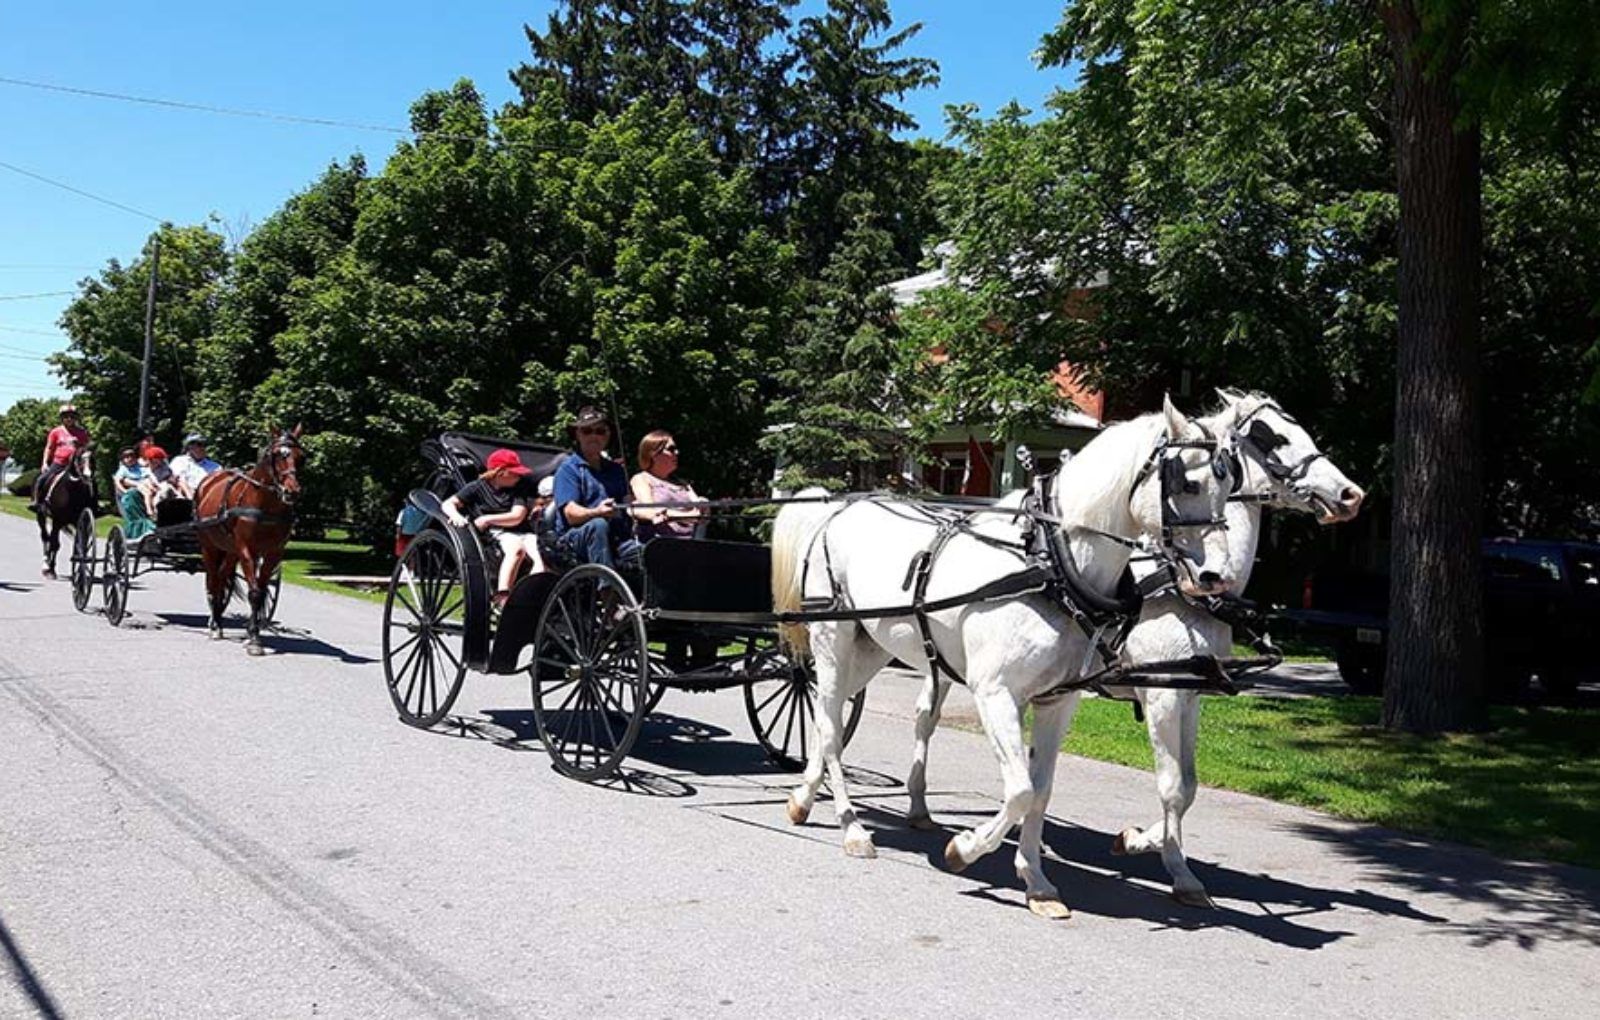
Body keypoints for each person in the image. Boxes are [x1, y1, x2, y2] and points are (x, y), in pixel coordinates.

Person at [442, 448, 544, 604]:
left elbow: (517, 516)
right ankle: (503, 594)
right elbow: (449, 503)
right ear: (500, 472)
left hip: (523, 530)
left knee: (541, 556)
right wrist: (456, 516)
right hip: (498, 534)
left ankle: (529, 596)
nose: (519, 475)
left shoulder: (519, 488)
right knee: (516, 550)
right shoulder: (477, 487)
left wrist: (487, 519)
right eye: (514, 472)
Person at [552, 405, 638, 573]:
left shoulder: (617, 471)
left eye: (600, 431)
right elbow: (570, 514)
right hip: (576, 539)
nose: (594, 436)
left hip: (618, 540)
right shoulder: (569, 469)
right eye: (587, 431)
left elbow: (629, 504)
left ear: (608, 435)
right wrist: (597, 512)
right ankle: (607, 593)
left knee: (651, 552)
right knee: (598, 525)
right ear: (578, 434)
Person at [629, 430, 705, 543]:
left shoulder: (683, 483)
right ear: (653, 454)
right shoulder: (641, 479)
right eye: (671, 449)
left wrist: (702, 505)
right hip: (658, 544)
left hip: (691, 542)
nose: (677, 452)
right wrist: (688, 515)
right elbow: (650, 510)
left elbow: (700, 513)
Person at [30, 403, 92, 511]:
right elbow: (49, 448)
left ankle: (94, 505)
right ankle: (38, 502)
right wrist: (44, 463)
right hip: (59, 464)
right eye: (66, 416)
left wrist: (80, 446)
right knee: (42, 479)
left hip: (77, 465)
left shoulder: (82, 432)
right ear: (62, 418)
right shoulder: (55, 432)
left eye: (72, 416)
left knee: (90, 481)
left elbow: (86, 449)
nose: (69, 419)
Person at [137, 446, 190, 519]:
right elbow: (149, 482)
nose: (160, 461)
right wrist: (154, 487)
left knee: (177, 485)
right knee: (149, 494)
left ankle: (186, 500)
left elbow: (171, 476)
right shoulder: (147, 471)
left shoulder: (164, 468)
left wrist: (173, 479)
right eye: (158, 460)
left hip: (165, 485)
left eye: (161, 459)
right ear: (151, 460)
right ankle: (150, 510)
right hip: (153, 488)